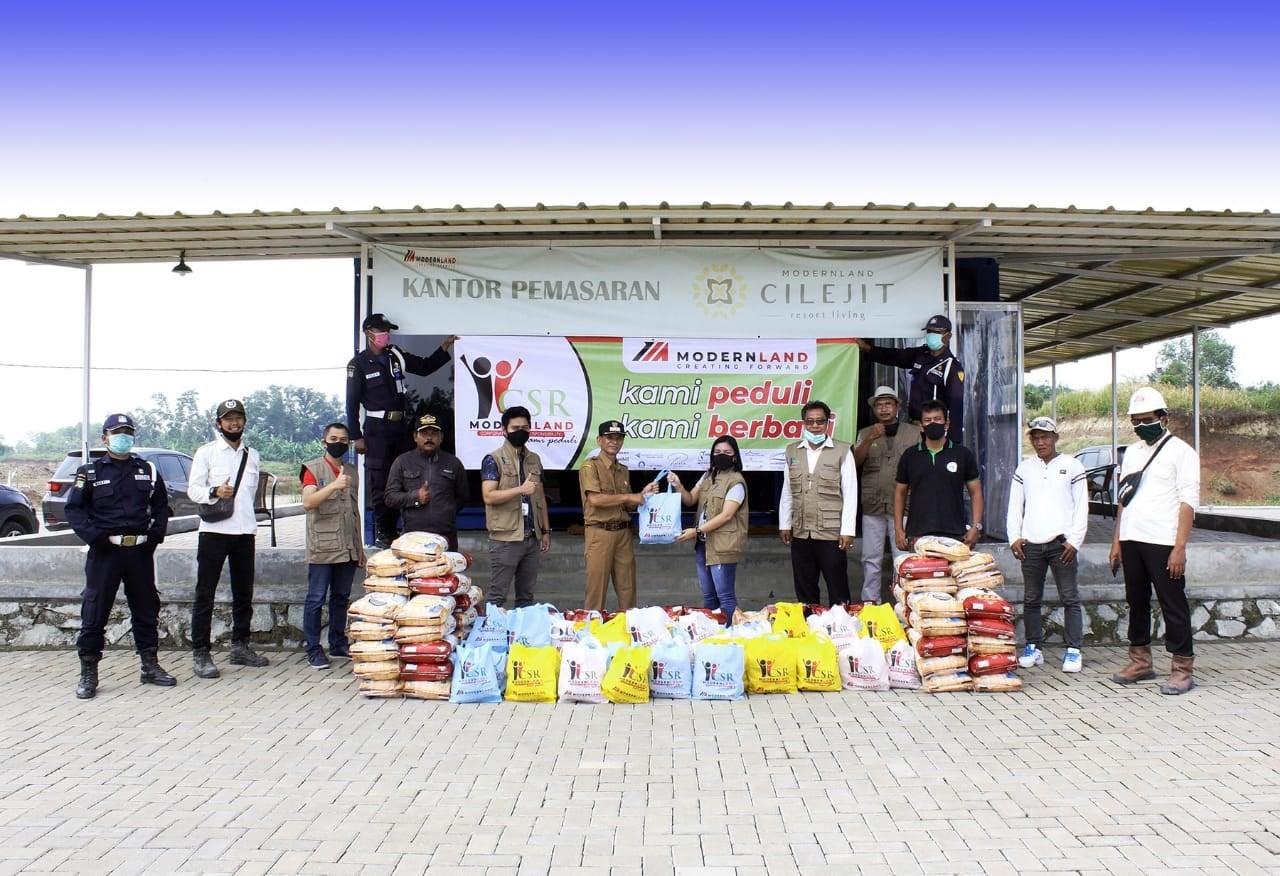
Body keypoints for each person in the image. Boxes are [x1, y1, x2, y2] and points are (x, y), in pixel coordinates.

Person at [64, 413, 175, 699]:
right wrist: (95, 537)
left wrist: (154, 536)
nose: (123, 438)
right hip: (105, 552)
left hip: (138, 551)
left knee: (146, 609)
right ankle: (89, 672)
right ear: (105, 438)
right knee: (95, 611)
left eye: (127, 432)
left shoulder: (146, 469)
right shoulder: (90, 472)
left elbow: (162, 507)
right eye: (117, 433)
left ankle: (149, 665)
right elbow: (74, 510)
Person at [1108, 386, 1200, 695]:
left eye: (1146, 419)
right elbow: (1124, 498)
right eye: (1135, 421)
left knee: (1172, 603)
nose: (1140, 426)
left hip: (1163, 541)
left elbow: (1188, 503)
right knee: (1137, 601)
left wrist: (1180, 547)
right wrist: (1117, 540)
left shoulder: (1182, 453)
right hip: (1133, 537)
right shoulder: (1132, 452)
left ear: (1163, 417)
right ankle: (1140, 660)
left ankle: (1182, 668)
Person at [345, 312, 457, 548]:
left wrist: (443, 349)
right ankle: (384, 532)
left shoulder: (395, 355)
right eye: (381, 331)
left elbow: (425, 367)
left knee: (406, 477)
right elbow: (351, 402)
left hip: (400, 426)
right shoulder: (359, 364)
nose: (386, 335)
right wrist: (356, 436)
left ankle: (405, 527)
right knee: (380, 480)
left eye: (388, 331)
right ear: (368, 333)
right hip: (376, 428)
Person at [187, 398, 266, 679]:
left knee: (243, 593)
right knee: (205, 593)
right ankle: (201, 652)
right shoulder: (206, 453)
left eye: (238, 418)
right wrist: (213, 492)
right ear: (219, 423)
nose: (234, 423)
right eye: (228, 419)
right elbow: (193, 490)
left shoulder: (251, 454)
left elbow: (250, 493)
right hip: (214, 531)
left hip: (244, 530)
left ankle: (240, 646)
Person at [1007, 416, 1089, 673]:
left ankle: (1073, 650)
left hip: (1061, 544)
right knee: (1031, 598)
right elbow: (1014, 506)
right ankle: (1034, 646)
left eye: (1045, 436)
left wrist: (1075, 541)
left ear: (1056, 437)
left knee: (1069, 597)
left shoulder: (1072, 466)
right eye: (1036, 437)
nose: (1040, 442)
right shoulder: (1024, 468)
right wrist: (1014, 537)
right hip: (1031, 542)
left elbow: (1081, 507)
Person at [778, 401, 857, 606]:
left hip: (831, 531)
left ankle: (839, 626)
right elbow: (787, 491)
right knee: (804, 585)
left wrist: (847, 530)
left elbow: (850, 493)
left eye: (820, 422)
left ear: (827, 423)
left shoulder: (842, 451)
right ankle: (808, 624)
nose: (815, 426)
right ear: (803, 423)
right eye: (810, 422)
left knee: (837, 583)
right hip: (802, 530)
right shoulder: (792, 451)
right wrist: (785, 524)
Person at [299, 422, 364, 670]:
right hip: (323, 545)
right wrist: (333, 486)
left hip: (346, 545)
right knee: (316, 598)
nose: (339, 443)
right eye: (333, 438)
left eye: (343, 439)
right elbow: (308, 502)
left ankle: (337, 642)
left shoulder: (351, 470)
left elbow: (355, 512)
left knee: (340, 597)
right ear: (324, 442)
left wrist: (358, 548)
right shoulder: (313, 469)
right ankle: (313, 648)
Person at [579, 420, 659, 612]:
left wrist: (643, 494)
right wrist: (629, 496)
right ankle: (592, 632)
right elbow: (596, 500)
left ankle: (627, 629)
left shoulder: (622, 470)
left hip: (623, 533)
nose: (614, 442)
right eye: (609, 438)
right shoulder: (590, 467)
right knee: (596, 590)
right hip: (600, 533)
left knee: (627, 588)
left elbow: (627, 504)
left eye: (618, 438)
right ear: (599, 440)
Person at [670, 436, 749, 621]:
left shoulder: (736, 482)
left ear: (735, 457)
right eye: (718, 452)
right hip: (703, 545)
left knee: (725, 596)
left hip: (723, 545)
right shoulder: (707, 476)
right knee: (709, 596)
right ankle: (713, 633)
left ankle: (731, 635)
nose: (722, 456)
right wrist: (678, 485)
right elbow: (690, 499)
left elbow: (727, 515)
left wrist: (696, 531)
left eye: (727, 453)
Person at [855, 313, 966, 443]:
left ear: (948, 336)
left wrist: (953, 443)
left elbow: (956, 408)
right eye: (929, 331)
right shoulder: (920, 354)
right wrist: (867, 348)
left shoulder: (951, 366)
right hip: (914, 427)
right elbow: (894, 355)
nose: (931, 335)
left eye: (937, 332)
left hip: (935, 430)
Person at [480, 405, 550, 609]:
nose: (520, 431)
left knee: (526, 597)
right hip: (506, 539)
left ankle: (522, 637)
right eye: (515, 427)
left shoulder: (534, 459)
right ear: (504, 430)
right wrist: (520, 489)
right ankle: (493, 637)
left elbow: (541, 498)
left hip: (532, 538)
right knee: (497, 596)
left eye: (525, 427)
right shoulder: (493, 459)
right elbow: (488, 496)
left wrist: (546, 531)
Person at [894, 400, 983, 551]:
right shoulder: (910, 456)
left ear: (947, 424)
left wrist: (976, 526)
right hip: (918, 534)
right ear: (921, 426)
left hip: (955, 534)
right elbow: (899, 493)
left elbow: (976, 492)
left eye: (937, 419)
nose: (932, 423)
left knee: (952, 575)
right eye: (927, 420)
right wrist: (898, 530)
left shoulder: (962, 454)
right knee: (921, 575)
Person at [853, 385, 910, 603]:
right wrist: (869, 439)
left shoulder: (914, 433)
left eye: (888, 404)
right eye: (879, 405)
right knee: (871, 558)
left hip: (905, 506)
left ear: (898, 406)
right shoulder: (865, 433)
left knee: (902, 558)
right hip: (873, 505)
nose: (884, 409)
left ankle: (905, 603)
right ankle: (870, 604)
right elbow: (855, 462)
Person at [384, 414, 470, 551]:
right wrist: (415, 497)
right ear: (415, 437)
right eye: (424, 433)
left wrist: (446, 511)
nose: (429, 438)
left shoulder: (454, 463)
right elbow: (389, 497)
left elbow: (463, 497)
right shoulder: (402, 462)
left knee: (445, 572)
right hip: (413, 538)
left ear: (441, 437)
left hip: (446, 538)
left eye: (434, 433)